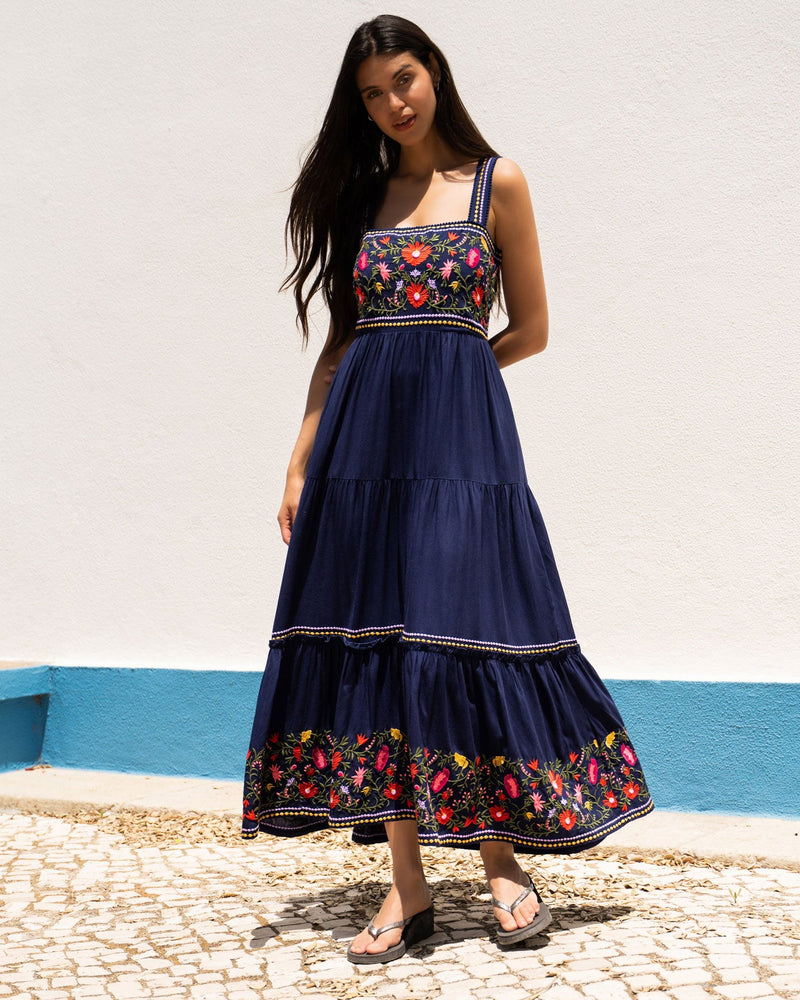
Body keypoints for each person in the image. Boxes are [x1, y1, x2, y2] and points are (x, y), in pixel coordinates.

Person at [242, 14, 653, 965]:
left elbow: (532, 329)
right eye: (373, 93)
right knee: (381, 637)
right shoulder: (362, 199)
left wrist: (454, 374)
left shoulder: (496, 183)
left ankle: (502, 861)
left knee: (468, 623)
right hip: (361, 450)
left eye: (404, 78)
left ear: (434, 73)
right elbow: (341, 346)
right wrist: (300, 458)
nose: (394, 102)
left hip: (462, 445)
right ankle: (408, 882)